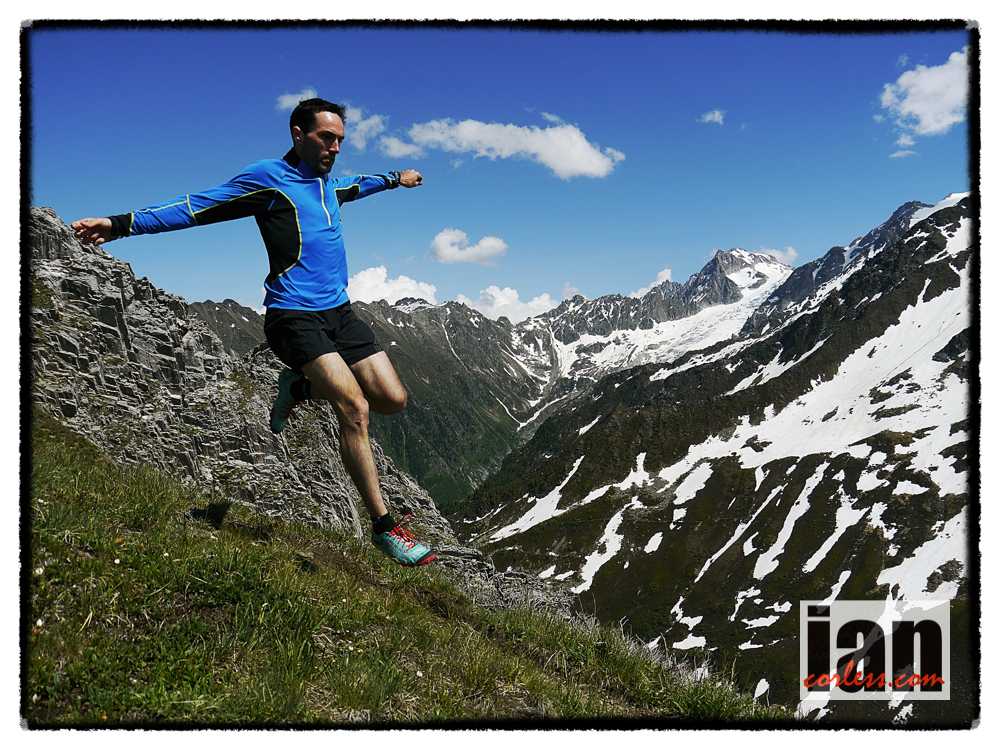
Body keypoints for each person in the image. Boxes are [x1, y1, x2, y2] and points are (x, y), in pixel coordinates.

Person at [72, 98, 435, 567]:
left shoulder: (330, 183)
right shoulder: (269, 179)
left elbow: (361, 183)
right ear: (297, 134)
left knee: (392, 399)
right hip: (293, 317)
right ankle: (385, 529)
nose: (335, 148)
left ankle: (298, 388)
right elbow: (197, 206)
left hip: (340, 314)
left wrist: (398, 178)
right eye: (326, 137)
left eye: (341, 140)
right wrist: (120, 225)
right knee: (355, 408)